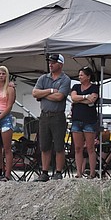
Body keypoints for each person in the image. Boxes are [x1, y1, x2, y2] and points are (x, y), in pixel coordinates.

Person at [31, 53, 72, 181]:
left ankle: (58, 172)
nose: (50, 64)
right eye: (50, 62)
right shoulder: (43, 78)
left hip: (58, 116)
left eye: (53, 62)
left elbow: (60, 97)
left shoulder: (65, 79)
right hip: (44, 116)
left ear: (60, 64)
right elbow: (34, 92)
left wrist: (43, 94)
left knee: (59, 145)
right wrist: (51, 91)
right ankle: (44, 172)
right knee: (44, 145)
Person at [69, 66, 100, 178]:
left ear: (88, 76)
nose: (80, 77)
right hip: (77, 120)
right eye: (79, 75)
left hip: (89, 120)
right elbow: (73, 97)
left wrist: (79, 99)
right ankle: (78, 172)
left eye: (82, 75)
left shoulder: (95, 87)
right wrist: (86, 97)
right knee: (78, 147)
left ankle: (92, 172)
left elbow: (92, 100)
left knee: (90, 148)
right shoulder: (76, 86)